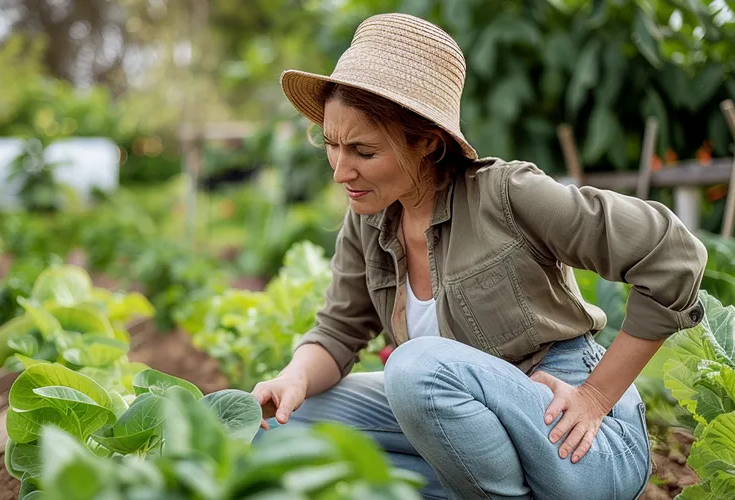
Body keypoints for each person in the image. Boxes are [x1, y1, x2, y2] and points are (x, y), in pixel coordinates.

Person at [250, 12, 708, 500]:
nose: (341, 171)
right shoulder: (369, 218)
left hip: (575, 439)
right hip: (473, 441)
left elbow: (672, 254)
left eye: (363, 152)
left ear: (427, 142)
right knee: (273, 428)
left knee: (414, 368)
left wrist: (596, 397)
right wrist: (293, 378)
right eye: (331, 145)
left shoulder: (507, 195)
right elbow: (339, 331)